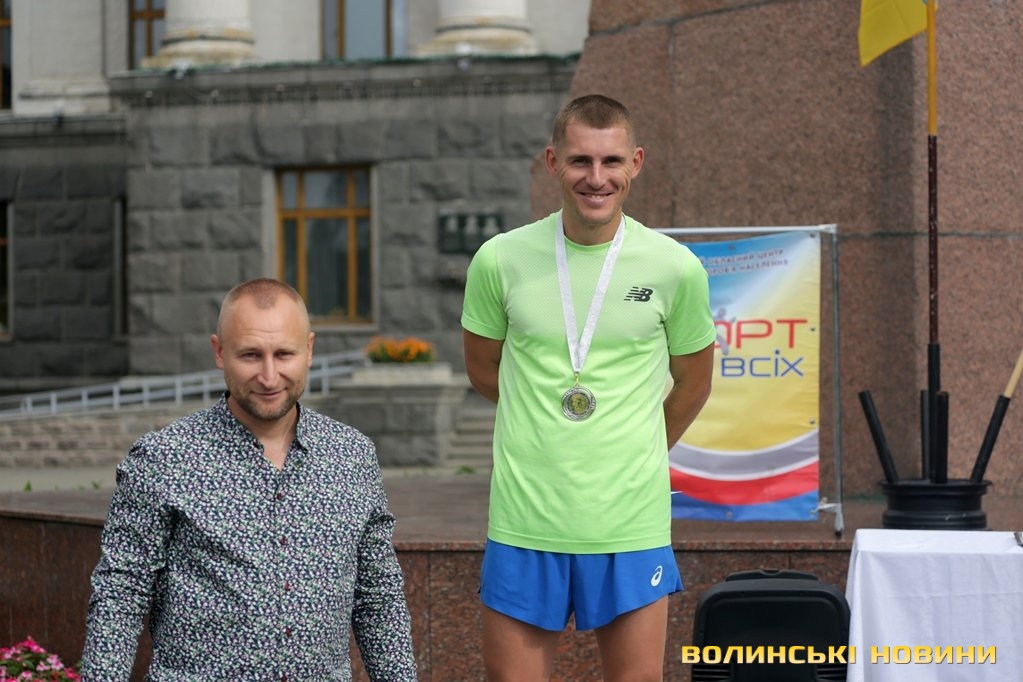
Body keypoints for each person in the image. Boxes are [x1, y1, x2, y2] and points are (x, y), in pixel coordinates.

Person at [461, 94, 716, 680]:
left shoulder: (675, 267)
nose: (596, 178)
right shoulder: (499, 260)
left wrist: (636, 443)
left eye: (611, 161)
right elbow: (484, 371)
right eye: (580, 161)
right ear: (553, 162)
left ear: (636, 163)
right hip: (526, 518)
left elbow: (693, 383)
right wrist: (541, 422)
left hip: (629, 521)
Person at [81, 278, 418, 681]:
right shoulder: (165, 458)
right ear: (219, 352)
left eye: (284, 354)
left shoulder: (352, 455)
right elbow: (121, 594)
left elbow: (377, 598)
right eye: (251, 355)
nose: (269, 376)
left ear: (309, 350)